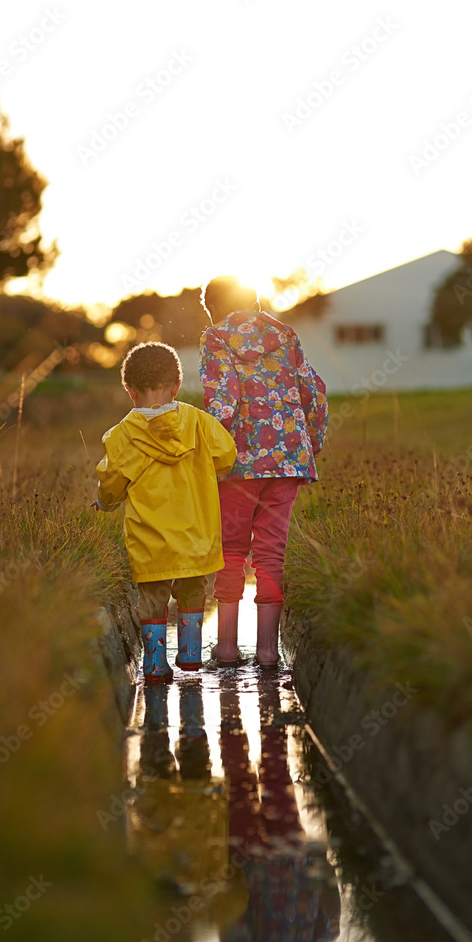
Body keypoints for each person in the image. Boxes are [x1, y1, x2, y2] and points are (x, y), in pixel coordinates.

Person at [199, 277, 328, 668]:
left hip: (238, 462)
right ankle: (269, 652)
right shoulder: (285, 334)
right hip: (287, 459)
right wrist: (310, 443)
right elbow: (314, 391)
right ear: (255, 302)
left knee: (232, 551)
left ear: (211, 308)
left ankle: (225, 649)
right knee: (272, 553)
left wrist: (208, 453)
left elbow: (223, 401)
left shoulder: (216, 338)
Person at [93, 341, 237, 683]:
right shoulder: (199, 423)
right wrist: (211, 470)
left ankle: (155, 664)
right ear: (176, 386)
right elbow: (227, 455)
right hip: (196, 536)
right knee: (192, 590)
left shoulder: (122, 436)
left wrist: (104, 502)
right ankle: (190, 656)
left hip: (150, 540)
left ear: (130, 391)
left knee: (152, 600)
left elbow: (111, 482)